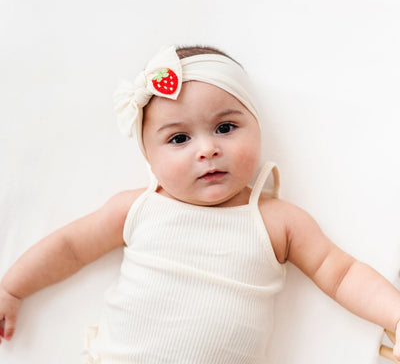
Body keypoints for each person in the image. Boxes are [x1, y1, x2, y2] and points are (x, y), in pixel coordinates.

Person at [0, 45, 399, 363]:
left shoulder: (276, 221)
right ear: (148, 155)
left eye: (225, 128)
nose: (207, 150)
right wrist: (12, 288)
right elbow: (69, 247)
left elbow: (342, 274)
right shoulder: (138, 208)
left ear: (256, 128)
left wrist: (393, 314)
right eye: (178, 139)